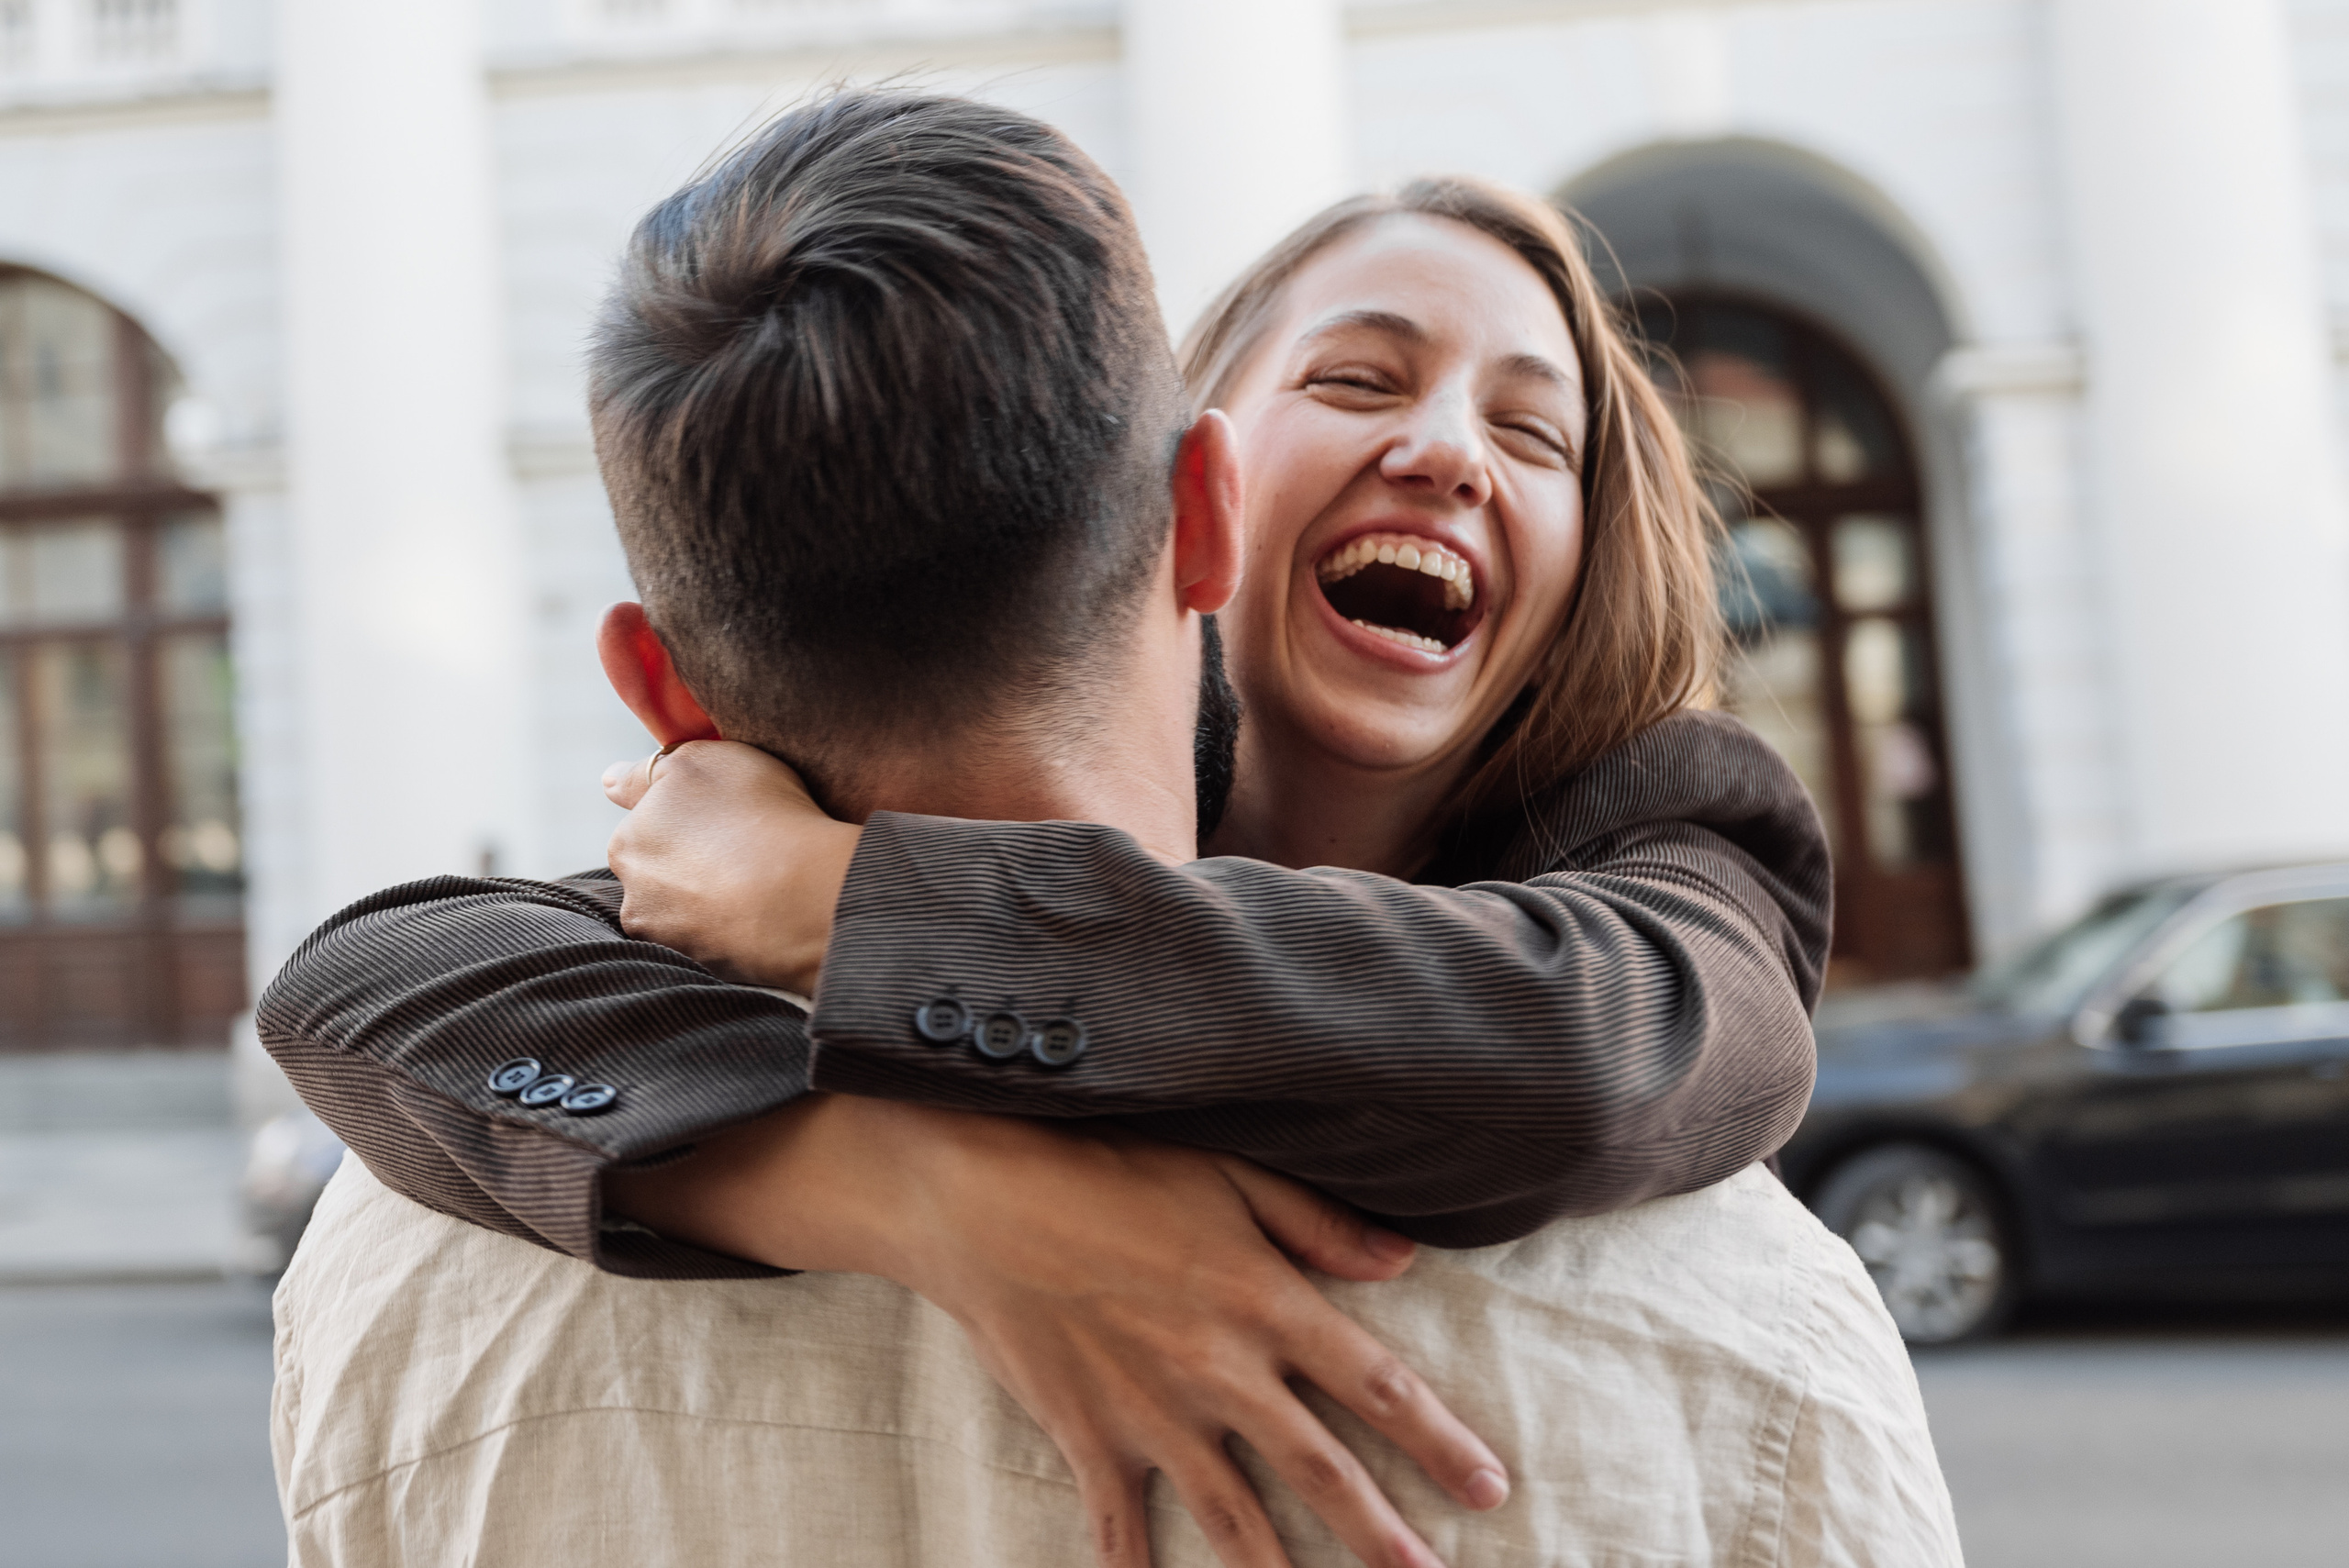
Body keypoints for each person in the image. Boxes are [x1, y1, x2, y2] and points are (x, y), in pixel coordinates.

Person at [262, 91, 1957, 1565]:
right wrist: (910, 1188)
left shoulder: (1681, 823)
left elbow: (1595, 1044)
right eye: (1358, 375)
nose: (1448, 450)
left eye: (1532, 429)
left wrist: (860, 898)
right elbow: (371, 977)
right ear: (1196, 487)